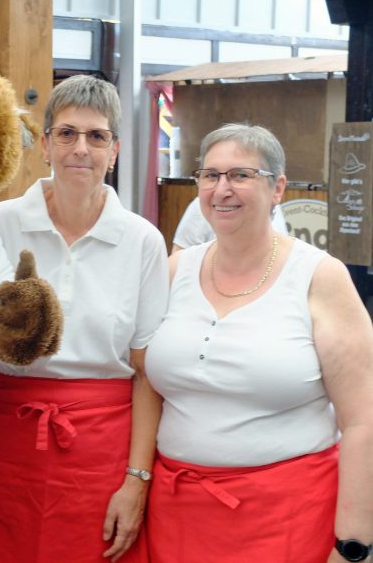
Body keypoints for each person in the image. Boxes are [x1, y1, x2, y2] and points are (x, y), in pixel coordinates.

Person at [144, 123, 373, 563]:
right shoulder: (174, 272)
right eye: (210, 176)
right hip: (178, 516)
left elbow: (363, 421)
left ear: (277, 188)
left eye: (240, 175)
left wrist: (354, 545)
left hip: (287, 518)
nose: (221, 189)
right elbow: (144, 384)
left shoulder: (319, 277)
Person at [0, 75, 169, 563]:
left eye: (97, 136)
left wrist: (136, 479)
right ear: (45, 144)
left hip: (101, 451)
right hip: (2, 442)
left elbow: (146, 372)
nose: (81, 148)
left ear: (115, 149)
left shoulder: (142, 240)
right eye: (67, 133)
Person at [171, 196, 289, 253]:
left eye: (241, 175)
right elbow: (179, 256)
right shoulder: (203, 205)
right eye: (212, 175)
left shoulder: (272, 206)